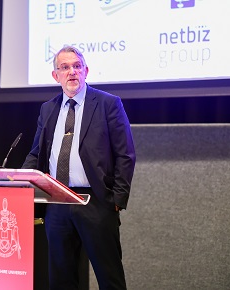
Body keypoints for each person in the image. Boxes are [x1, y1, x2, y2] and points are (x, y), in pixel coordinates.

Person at [22, 45, 136, 290]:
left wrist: (117, 199)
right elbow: (37, 153)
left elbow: (125, 154)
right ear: (56, 76)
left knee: (109, 277)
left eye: (76, 66)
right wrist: (18, 180)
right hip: (56, 203)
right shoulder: (48, 108)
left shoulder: (108, 104)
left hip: (95, 201)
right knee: (61, 279)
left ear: (86, 70)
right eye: (64, 67)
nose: (71, 72)